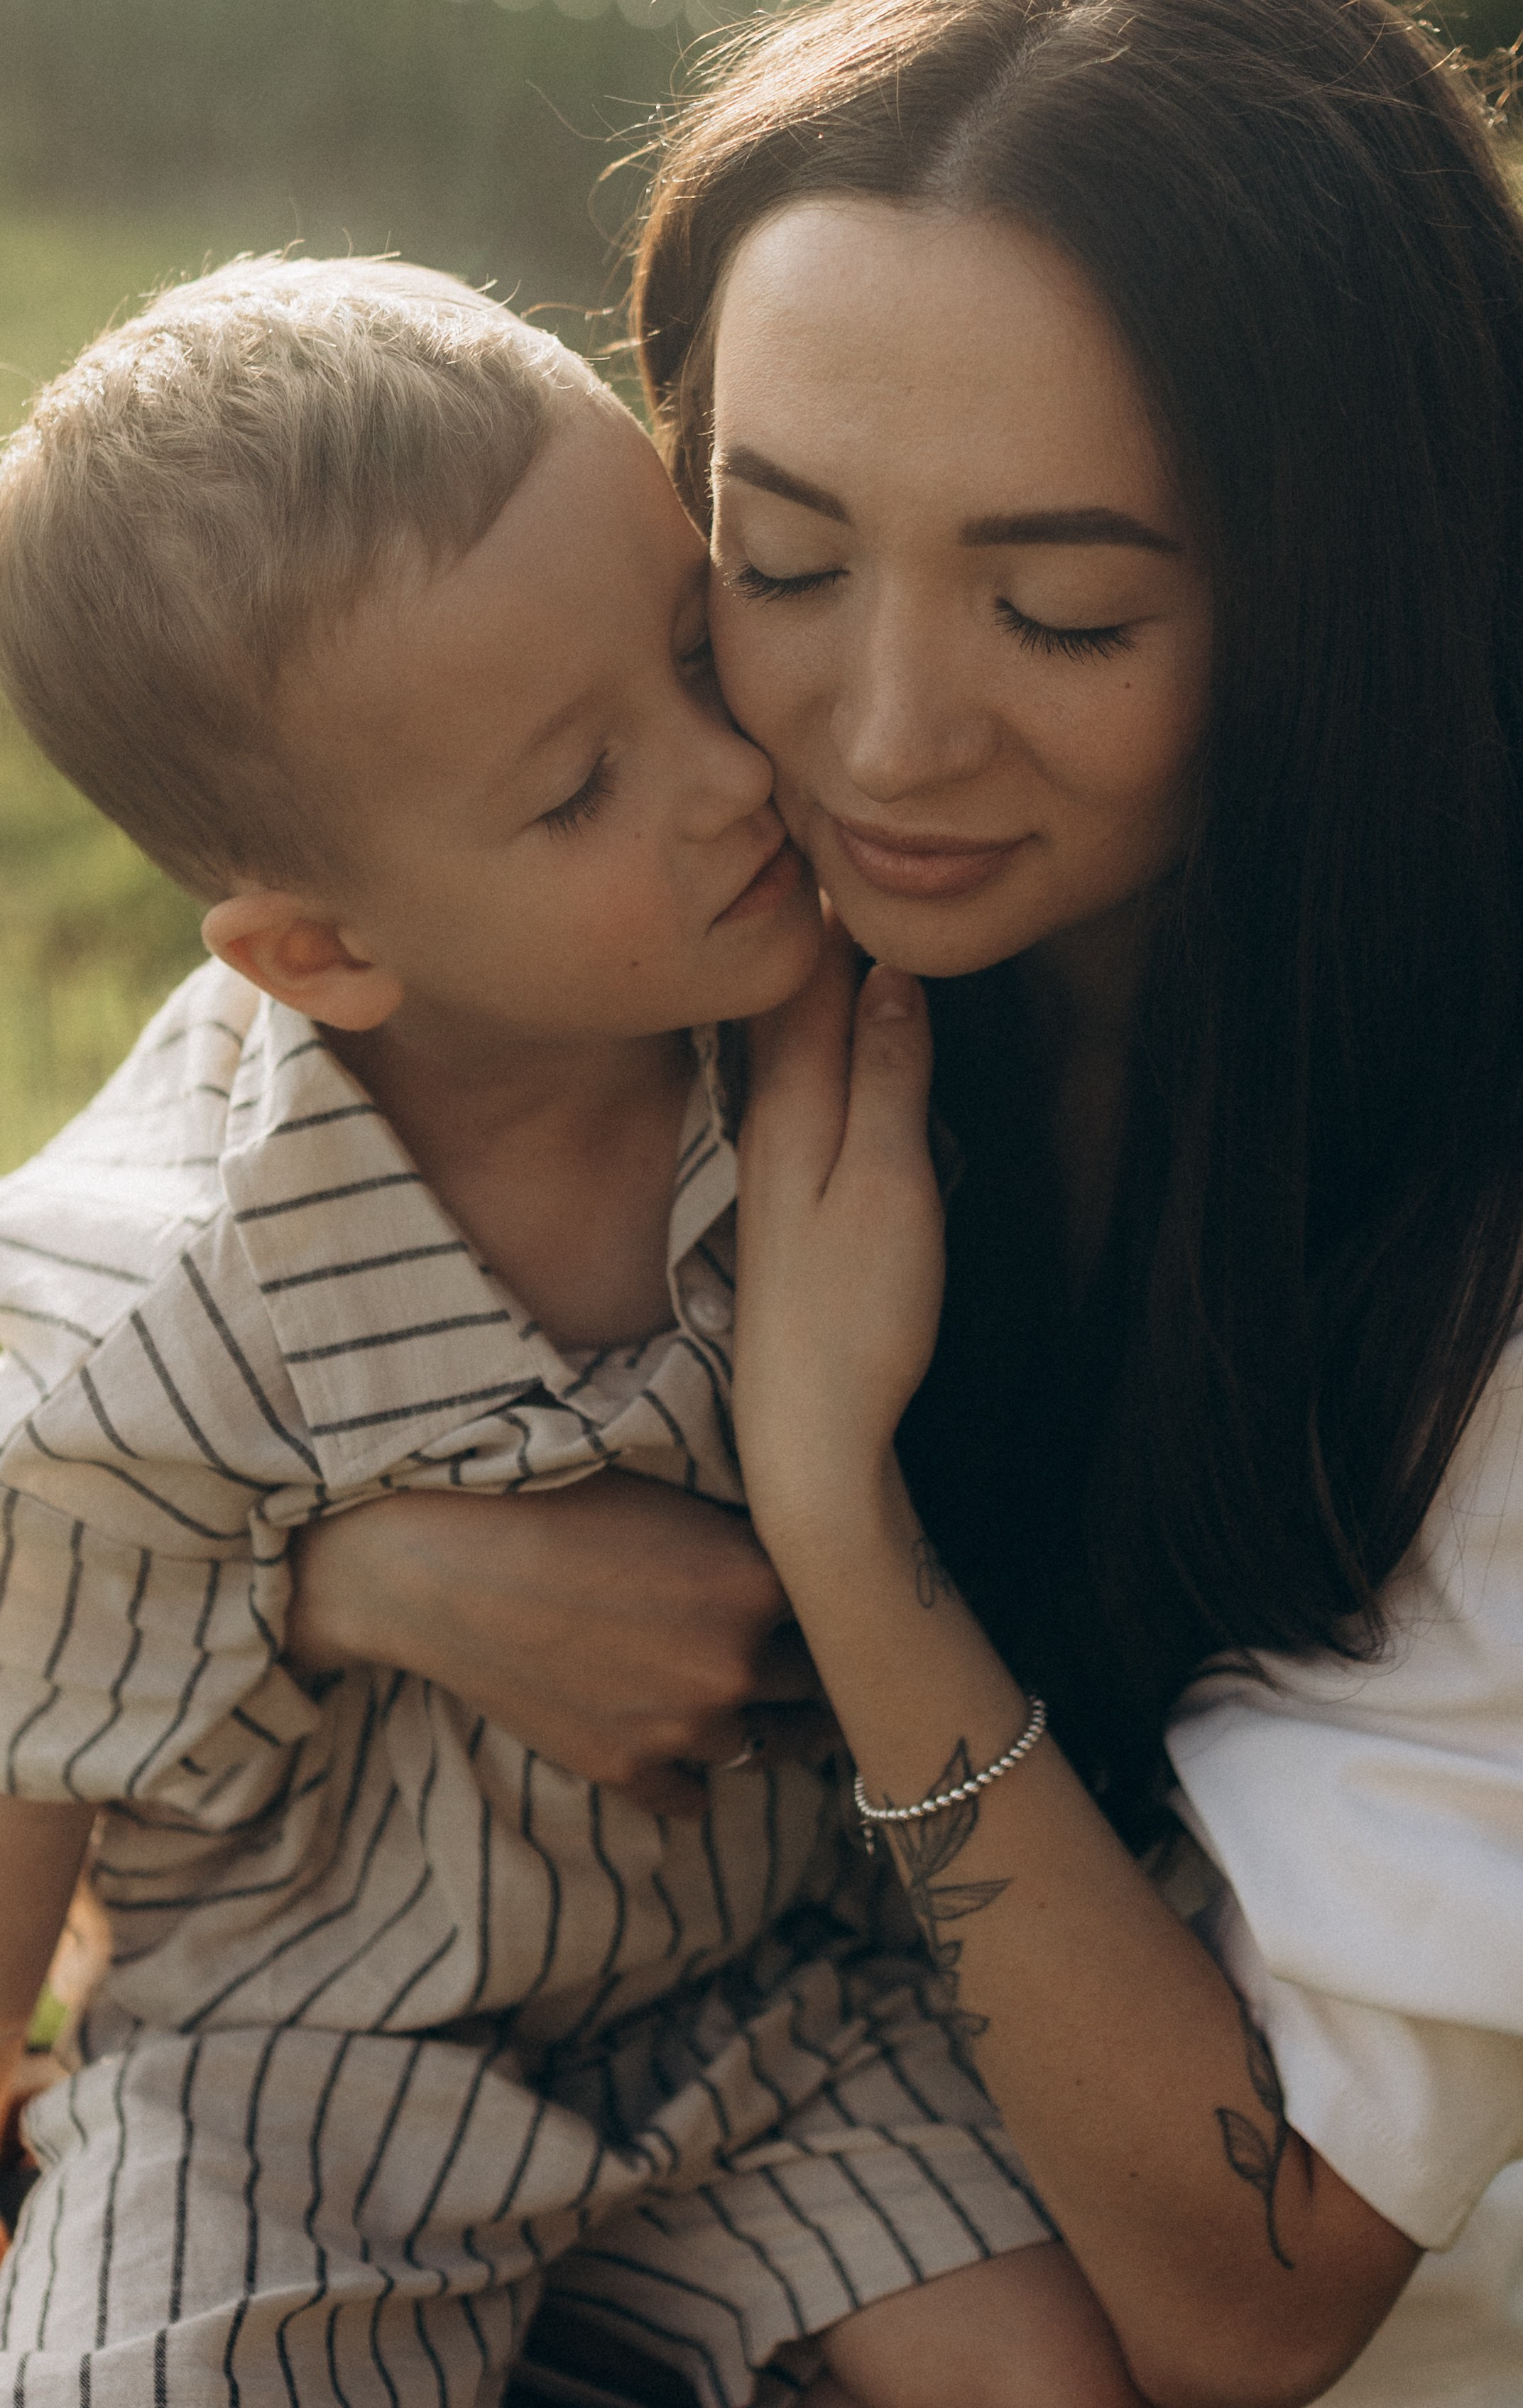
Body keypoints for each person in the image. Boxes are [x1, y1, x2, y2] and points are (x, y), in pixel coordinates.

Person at [288, 1, 1523, 2403]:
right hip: (581, 2245)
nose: (880, 743)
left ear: (1358, 601)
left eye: (1065, 614)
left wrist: (832, 1511)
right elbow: (71, 1344)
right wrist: (342, 1564)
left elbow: (1253, 2292)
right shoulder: (648, 848)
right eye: (781, 560)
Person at [0, 254, 1131, 2408]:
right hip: (295, 2079)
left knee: (1058, 2376)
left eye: (700, 653)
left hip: (778, 2006)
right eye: (577, 791)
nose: (727, 779)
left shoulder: (818, 1046)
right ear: (321, 952)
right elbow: (27, 1756)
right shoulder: (152, 1311)